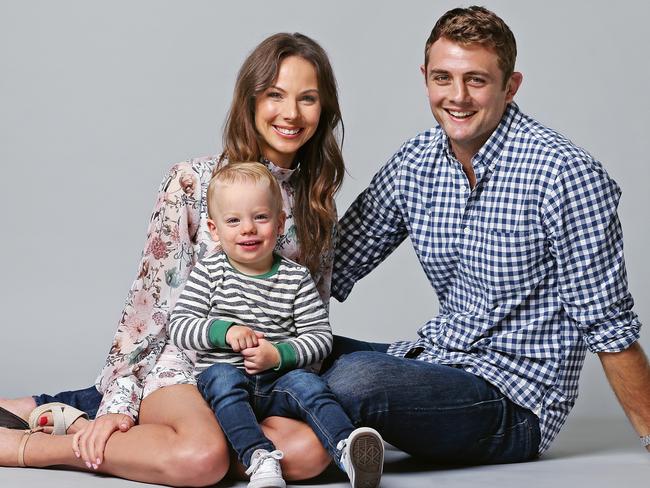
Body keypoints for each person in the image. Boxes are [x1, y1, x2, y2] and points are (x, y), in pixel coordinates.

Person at [0, 32, 344, 486]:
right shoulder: (193, 181)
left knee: (308, 454)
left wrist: (289, 374)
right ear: (250, 100)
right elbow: (148, 310)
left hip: (261, 378)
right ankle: (38, 446)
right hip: (188, 363)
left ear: (324, 111)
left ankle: (81, 417)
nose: (291, 113)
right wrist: (120, 402)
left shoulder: (316, 203)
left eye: (308, 99)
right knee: (202, 458)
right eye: (275, 94)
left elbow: (310, 314)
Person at [322, 5, 649, 465]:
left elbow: (608, 326)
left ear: (509, 86)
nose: (457, 97)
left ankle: (296, 429)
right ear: (425, 78)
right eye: (443, 78)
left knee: (356, 379)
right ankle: (274, 446)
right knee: (299, 356)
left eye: (476, 80)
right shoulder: (416, 161)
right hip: (436, 359)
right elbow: (332, 264)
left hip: (514, 402)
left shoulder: (563, 174)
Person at [168, 162, 384, 488]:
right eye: (233, 220)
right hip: (227, 377)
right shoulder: (210, 271)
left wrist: (279, 355)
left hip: (277, 381)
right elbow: (180, 326)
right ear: (214, 229)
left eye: (261, 217)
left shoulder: (295, 278)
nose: (248, 229)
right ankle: (259, 458)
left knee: (310, 387)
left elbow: (320, 337)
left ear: (280, 223)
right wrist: (223, 331)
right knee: (223, 379)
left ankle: (346, 449)